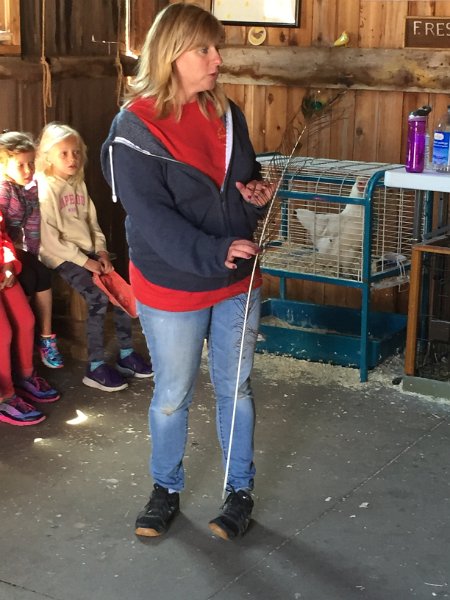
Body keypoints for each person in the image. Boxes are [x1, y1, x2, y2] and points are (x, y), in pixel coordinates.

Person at [101, 3, 273, 540]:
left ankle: (238, 491)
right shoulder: (133, 129)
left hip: (235, 277)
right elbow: (153, 221)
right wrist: (215, 251)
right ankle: (165, 488)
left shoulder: (226, 114)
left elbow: (240, 184)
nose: (217, 59)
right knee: (173, 394)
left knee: (235, 388)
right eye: (205, 49)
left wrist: (255, 196)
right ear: (171, 54)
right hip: (172, 280)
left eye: (217, 48)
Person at [36, 122, 153, 392]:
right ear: (48, 157)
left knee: (121, 293)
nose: (72, 158)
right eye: (64, 153)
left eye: (76, 152)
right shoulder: (46, 189)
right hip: (60, 256)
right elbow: (50, 241)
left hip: (87, 252)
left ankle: (126, 354)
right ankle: (95, 366)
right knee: (98, 298)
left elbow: (93, 224)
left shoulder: (78, 184)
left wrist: (101, 252)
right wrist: (86, 262)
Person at [0, 130, 63, 369]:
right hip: (4, 252)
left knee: (42, 273)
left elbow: (33, 225)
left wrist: (33, 255)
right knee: (27, 279)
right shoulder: (3, 190)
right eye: (20, 165)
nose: (28, 170)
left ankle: (45, 338)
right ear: (4, 166)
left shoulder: (30, 188)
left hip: (14, 250)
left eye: (31, 164)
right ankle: (21, 344)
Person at [0, 209, 60, 426]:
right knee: (2, 333)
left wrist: (9, 264)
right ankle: (6, 396)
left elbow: (3, 237)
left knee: (26, 320)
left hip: (3, 270)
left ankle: (24, 376)